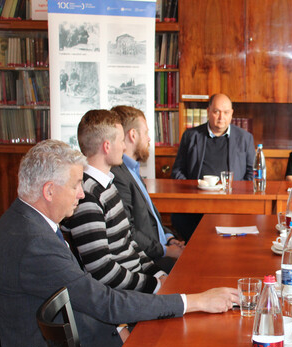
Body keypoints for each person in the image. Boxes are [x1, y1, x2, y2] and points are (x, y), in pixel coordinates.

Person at [0, 140, 238, 347]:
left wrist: (118, 326)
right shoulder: (33, 242)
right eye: (75, 185)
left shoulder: (22, 221)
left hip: (66, 342)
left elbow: (82, 290)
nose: (81, 195)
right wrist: (193, 302)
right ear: (49, 191)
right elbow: (103, 302)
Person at [62, 110, 164, 293]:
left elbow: (129, 242)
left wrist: (158, 274)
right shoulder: (86, 196)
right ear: (107, 146)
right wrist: (154, 285)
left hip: (136, 283)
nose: (125, 147)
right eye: (121, 141)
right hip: (121, 294)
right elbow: (103, 270)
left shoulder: (107, 184)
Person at [171, 93, 255, 241]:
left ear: (232, 114)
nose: (221, 117)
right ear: (208, 111)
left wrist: (238, 193)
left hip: (232, 203)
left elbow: (251, 173)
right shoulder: (191, 136)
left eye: (226, 112)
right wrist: (192, 190)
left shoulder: (245, 138)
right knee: (179, 218)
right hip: (197, 202)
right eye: (216, 112)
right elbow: (178, 170)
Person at [111, 105, 185, 273]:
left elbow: (151, 218)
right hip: (147, 260)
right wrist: (166, 250)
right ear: (133, 135)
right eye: (146, 133)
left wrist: (169, 238)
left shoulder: (133, 170)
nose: (149, 139)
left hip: (160, 248)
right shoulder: (118, 176)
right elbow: (129, 231)